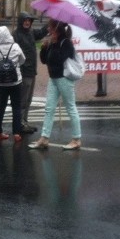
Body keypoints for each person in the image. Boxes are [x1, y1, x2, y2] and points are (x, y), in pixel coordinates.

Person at [30, 20, 82, 150]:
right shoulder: (53, 42)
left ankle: (76, 139)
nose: (48, 29)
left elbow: (59, 59)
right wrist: (44, 48)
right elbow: (44, 60)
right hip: (53, 78)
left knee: (70, 107)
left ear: (56, 29)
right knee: (49, 108)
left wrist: (54, 44)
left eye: (50, 27)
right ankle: (44, 137)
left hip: (64, 79)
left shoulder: (66, 43)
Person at [0, 25, 26, 141]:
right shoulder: (15, 47)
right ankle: (17, 133)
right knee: (16, 107)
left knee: (1, 105)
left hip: (1, 82)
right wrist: (14, 64)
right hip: (15, 82)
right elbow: (23, 60)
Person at [12, 12, 48, 133]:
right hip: (23, 72)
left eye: (29, 20)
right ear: (21, 21)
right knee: (22, 99)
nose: (27, 22)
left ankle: (24, 121)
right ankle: (20, 124)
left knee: (28, 99)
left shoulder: (31, 33)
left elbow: (42, 32)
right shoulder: (16, 35)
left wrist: (52, 22)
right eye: (25, 20)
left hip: (32, 71)